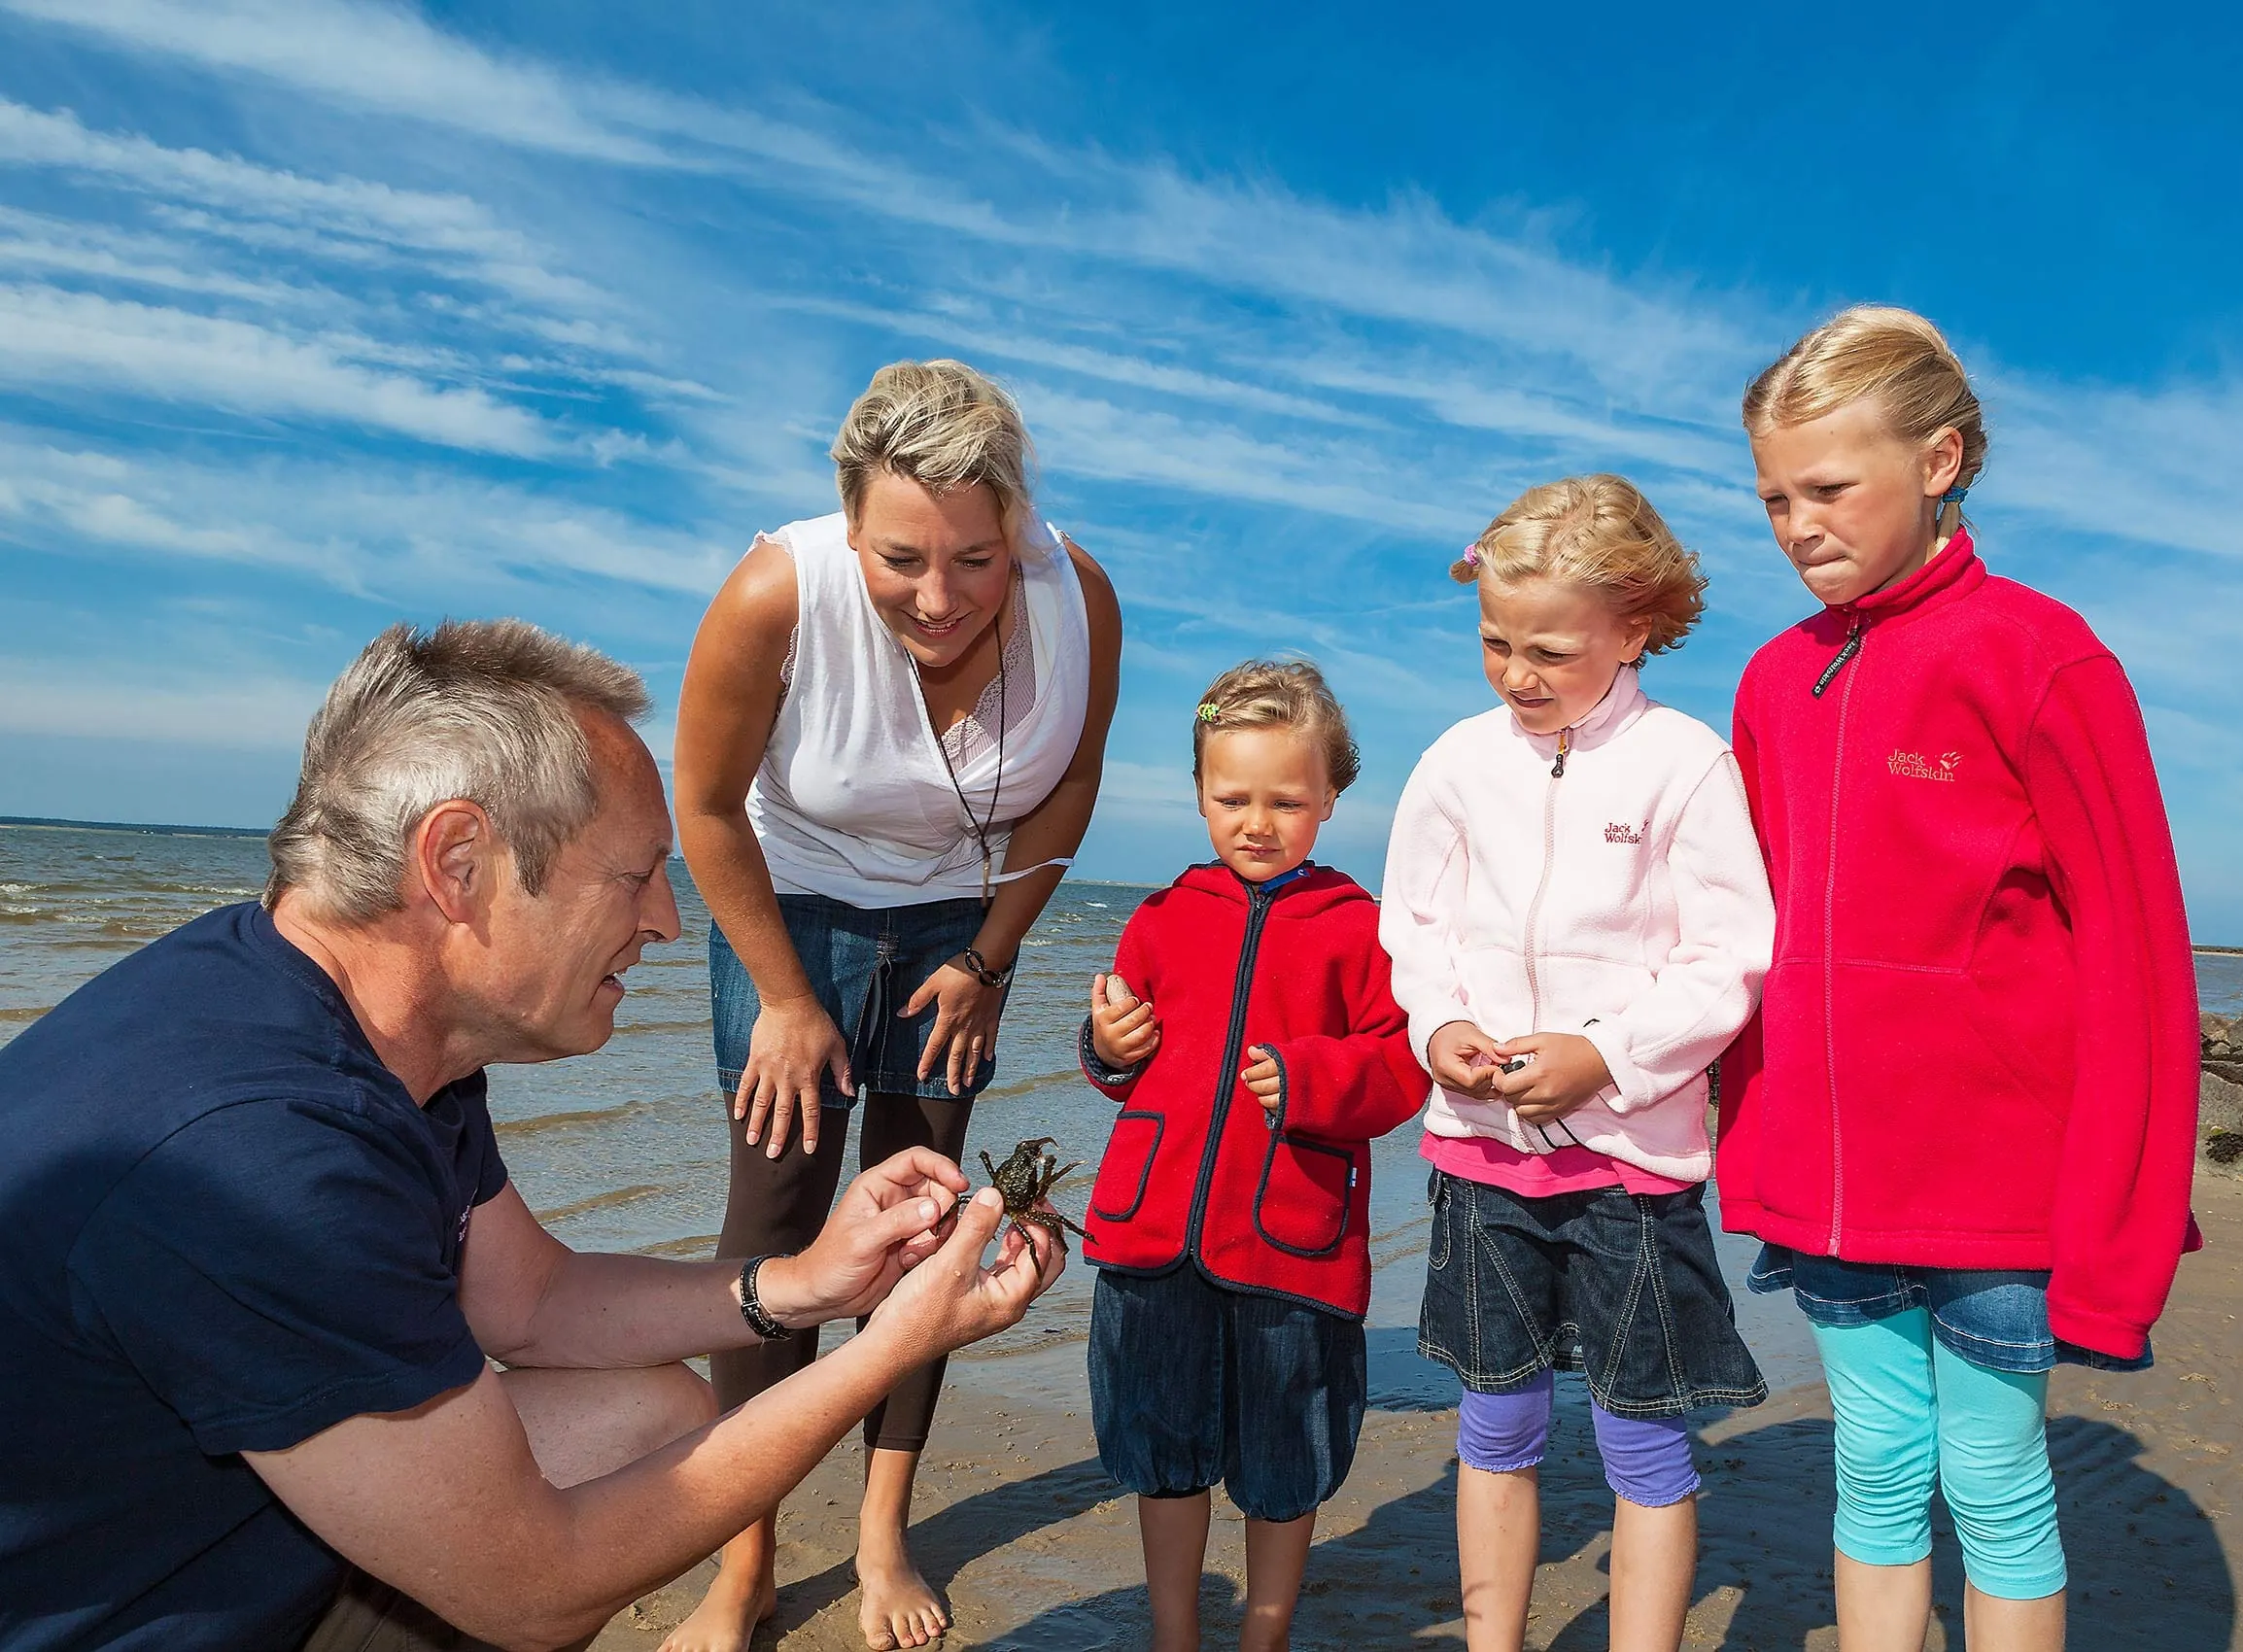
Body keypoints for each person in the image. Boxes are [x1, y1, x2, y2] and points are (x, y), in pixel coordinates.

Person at [0, 620, 1065, 1652]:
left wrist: (813, 1284)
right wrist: (893, 1346)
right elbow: (538, 1590)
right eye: (635, 874)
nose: (665, 920)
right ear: (459, 861)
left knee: (656, 1410)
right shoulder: (263, 1156)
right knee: (565, 1534)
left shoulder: (348, 1015)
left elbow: (532, 1301)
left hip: (220, 1530)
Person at [1717, 305, 2201, 1652]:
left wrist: (2118, 1238)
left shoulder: (2042, 656)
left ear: (1938, 461)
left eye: (1827, 487)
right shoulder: (1771, 682)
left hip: (2001, 1197)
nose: (1796, 523)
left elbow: (2137, 964)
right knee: (1870, 1472)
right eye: (1770, 497)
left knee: (1991, 1483)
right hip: (1827, 1192)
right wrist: (1733, 1139)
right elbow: (1736, 937)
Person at [670, 358, 1121, 1652]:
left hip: (956, 931)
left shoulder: (1077, 597)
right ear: (847, 522)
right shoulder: (776, 590)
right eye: (900, 558)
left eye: (975, 560)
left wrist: (988, 960)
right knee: (776, 1228)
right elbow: (703, 808)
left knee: (924, 1220)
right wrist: (782, 995)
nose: (939, 598)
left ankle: (881, 1532)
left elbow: (1068, 790)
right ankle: (739, 1558)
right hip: (787, 909)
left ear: (1017, 525)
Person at [1378, 475, 1777, 1652]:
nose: (1516, 672)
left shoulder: (1684, 763)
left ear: (1634, 629)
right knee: (1494, 1421)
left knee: (1644, 1435)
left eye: (1549, 647)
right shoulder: (1456, 762)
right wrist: (1437, 1027)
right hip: (1480, 1154)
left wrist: (1603, 1054)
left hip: (1632, 1170)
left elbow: (1730, 958)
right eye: (1497, 641)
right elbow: (1417, 933)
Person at [1080, 661, 1429, 1652]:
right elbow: (1120, 1055)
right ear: (1198, 792)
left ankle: (1264, 1635)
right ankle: (1175, 1633)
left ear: (1330, 796)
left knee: (1288, 1454)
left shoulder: (1358, 928)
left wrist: (1316, 1078)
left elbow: (1400, 1065)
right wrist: (1107, 1045)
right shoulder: (1160, 914)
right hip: (1153, 1238)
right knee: (1162, 1448)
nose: (1258, 819)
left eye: (1287, 797)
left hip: (1292, 1244)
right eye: (1233, 797)